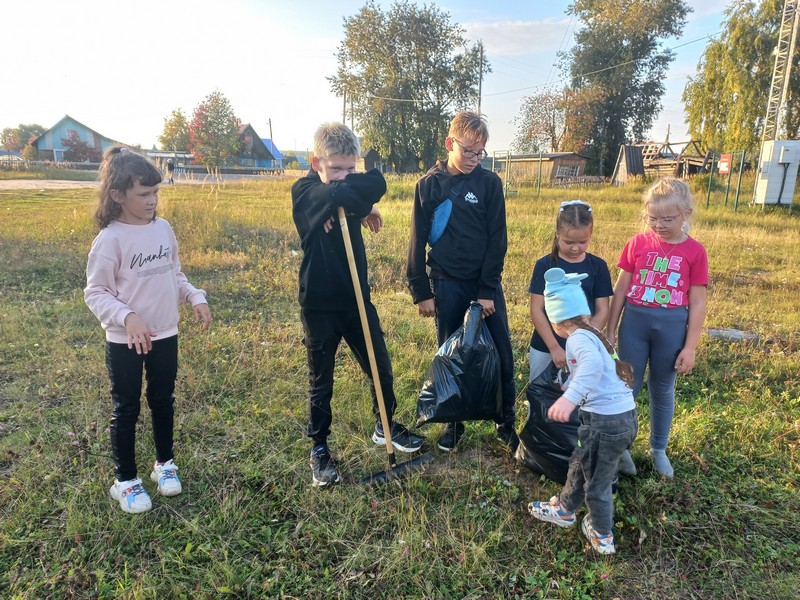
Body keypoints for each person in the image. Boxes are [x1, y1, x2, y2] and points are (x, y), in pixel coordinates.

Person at [292, 122, 423, 487]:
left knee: (379, 364)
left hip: (356, 300)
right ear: (315, 161)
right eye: (336, 169)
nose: (344, 176)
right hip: (319, 304)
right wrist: (353, 200)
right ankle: (319, 448)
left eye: (351, 168)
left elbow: (377, 183)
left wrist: (352, 198)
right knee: (321, 379)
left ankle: (386, 423)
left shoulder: (341, 188)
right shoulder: (303, 191)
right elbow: (329, 198)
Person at [84, 147, 211, 514]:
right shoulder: (111, 239)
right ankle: (125, 481)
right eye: (143, 194)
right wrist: (127, 317)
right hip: (126, 340)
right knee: (126, 408)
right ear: (117, 195)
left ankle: (164, 465)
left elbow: (174, 273)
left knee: (162, 400)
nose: (152, 201)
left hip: (166, 333)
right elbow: (95, 291)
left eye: (155, 193)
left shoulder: (163, 229)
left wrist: (194, 296)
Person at [407, 111, 518, 453]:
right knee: (452, 355)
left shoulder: (489, 184)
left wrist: (487, 291)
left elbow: (497, 239)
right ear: (449, 143)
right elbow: (416, 239)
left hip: (483, 286)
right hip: (446, 283)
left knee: (501, 352)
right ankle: (454, 424)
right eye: (468, 150)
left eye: (480, 152)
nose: (473, 159)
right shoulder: (428, 186)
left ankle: (506, 421)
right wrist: (421, 291)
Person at [527, 268, 638, 555]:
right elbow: (598, 373)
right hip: (622, 419)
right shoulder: (592, 333)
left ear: (555, 320)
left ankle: (602, 535)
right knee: (580, 460)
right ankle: (565, 509)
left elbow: (591, 367)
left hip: (605, 423)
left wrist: (570, 398)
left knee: (598, 482)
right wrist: (574, 386)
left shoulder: (576, 339)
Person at [606, 178, 708, 478]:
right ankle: (622, 447)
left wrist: (690, 347)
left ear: (686, 214)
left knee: (662, 388)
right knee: (627, 388)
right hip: (634, 326)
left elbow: (698, 302)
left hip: (672, 329)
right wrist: (610, 330)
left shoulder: (695, 252)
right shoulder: (637, 243)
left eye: (667, 219)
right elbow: (621, 288)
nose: (659, 225)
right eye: (653, 219)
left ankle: (658, 448)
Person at [528, 200, 612, 382]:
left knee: (579, 401)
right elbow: (536, 310)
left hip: (583, 348)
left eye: (583, 242)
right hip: (545, 347)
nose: (576, 248)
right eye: (568, 242)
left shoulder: (598, 266)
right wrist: (554, 347)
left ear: (591, 234)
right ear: (557, 234)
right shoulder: (544, 265)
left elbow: (603, 309)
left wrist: (583, 340)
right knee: (540, 399)